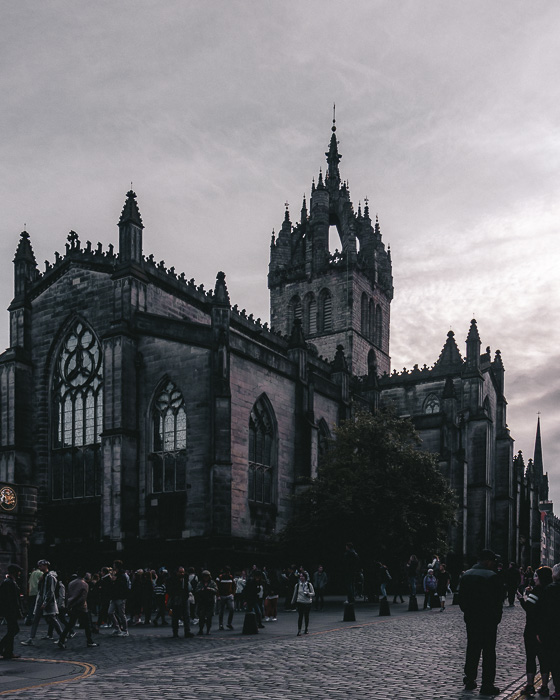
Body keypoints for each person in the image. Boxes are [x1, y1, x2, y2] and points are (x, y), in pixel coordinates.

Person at [458, 549, 503, 696]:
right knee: (489, 652)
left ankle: (470, 679)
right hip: (488, 620)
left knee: (472, 649)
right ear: (488, 561)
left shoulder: (467, 574)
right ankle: (487, 684)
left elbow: (461, 599)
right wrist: (496, 617)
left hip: (472, 619)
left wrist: (468, 612)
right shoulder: (492, 576)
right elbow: (498, 599)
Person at [517, 565, 552, 697]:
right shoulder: (549, 590)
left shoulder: (537, 591)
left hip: (532, 629)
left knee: (531, 657)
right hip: (545, 630)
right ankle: (544, 686)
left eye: (536, 576)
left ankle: (530, 685)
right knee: (544, 658)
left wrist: (521, 598)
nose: (534, 578)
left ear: (541, 578)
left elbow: (529, 609)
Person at [21, 560, 64, 646]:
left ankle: (63, 637)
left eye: (41, 566)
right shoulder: (43, 576)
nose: (39, 567)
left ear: (45, 566)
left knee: (53, 619)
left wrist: (45, 602)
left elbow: (50, 591)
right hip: (40, 599)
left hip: (46, 601)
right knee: (36, 619)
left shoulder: (50, 577)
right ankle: (31, 638)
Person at [57, 569, 98, 649]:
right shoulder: (85, 584)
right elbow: (83, 598)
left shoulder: (71, 583)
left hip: (72, 605)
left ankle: (61, 640)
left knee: (70, 625)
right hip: (81, 607)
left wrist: (69, 605)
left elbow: (68, 595)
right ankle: (89, 641)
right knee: (87, 625)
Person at [537, 563, 560, 699]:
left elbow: (544, 613)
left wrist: (540, 631)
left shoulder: (550, 589)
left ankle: (558, 690)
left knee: (555, 662)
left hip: (553, 631)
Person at [0, 564, 23, 659]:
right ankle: (4, 648)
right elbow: (10, 599)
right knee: (14, 629)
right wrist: (17, 610)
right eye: (18, 572)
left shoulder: (10, 582)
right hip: (10, 610)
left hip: (10, 610)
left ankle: (8, 652)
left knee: (12, 629)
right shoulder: (9, 583)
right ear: (14, 572)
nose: (19, 574)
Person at [167, 566, 193, 638]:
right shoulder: (172, 580)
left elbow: (188, 588)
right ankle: (175, 632)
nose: (182, 573)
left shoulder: (185, 579)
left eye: (183, 572)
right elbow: (170, 589)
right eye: (180, 572)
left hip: (184, 599)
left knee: (186, 616)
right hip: (176, 599)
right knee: (175, 616)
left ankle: (187, 631)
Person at [292, 571, 314, 636]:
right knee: (300, 616)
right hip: (300, 602)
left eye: (303, 576)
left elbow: (313, 593)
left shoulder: (309, 585)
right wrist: (293, 601)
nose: (301, 578)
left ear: (305, 577)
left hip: (307, 602)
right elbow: (295, 594)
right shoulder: (298, 585)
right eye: (300, 576)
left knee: (306, 616)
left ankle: (306, 629)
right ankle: (299, 630)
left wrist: (308, 594)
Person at [195, 570, 217, 635]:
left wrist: (210, 589)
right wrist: (201, 590)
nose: (206, 578)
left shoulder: (212, 583)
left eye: (207, 576)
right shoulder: (200, 583)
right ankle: (201, 629)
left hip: (210, 602)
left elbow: (216, 590)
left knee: (209, 617)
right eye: (204, 576)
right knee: (201, 617)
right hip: (202, 602)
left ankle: (208, 630)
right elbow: (196, 590)